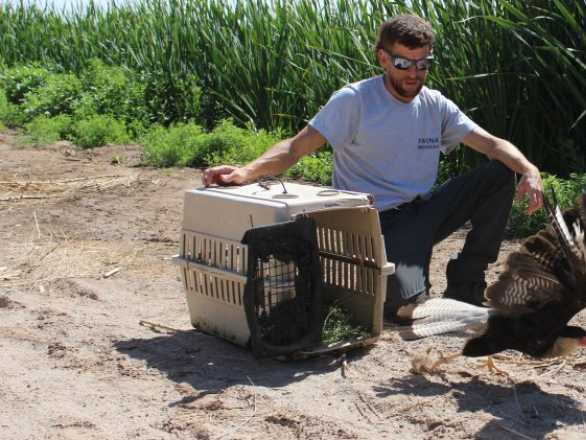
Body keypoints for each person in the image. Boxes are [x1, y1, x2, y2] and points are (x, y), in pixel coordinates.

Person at [201, 14, 544, 322]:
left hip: (426, 210)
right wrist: (247, 171)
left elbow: (492, 144)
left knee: (501, 171)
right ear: (382, 57)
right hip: (379, 221)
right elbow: (296, 146)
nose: (414, 73)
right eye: (403, 62)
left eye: (422, 64)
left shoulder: (436, 105)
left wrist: (530, 170)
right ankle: (406, 285)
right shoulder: (355, 100)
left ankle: (466, 284)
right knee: (406, 309)